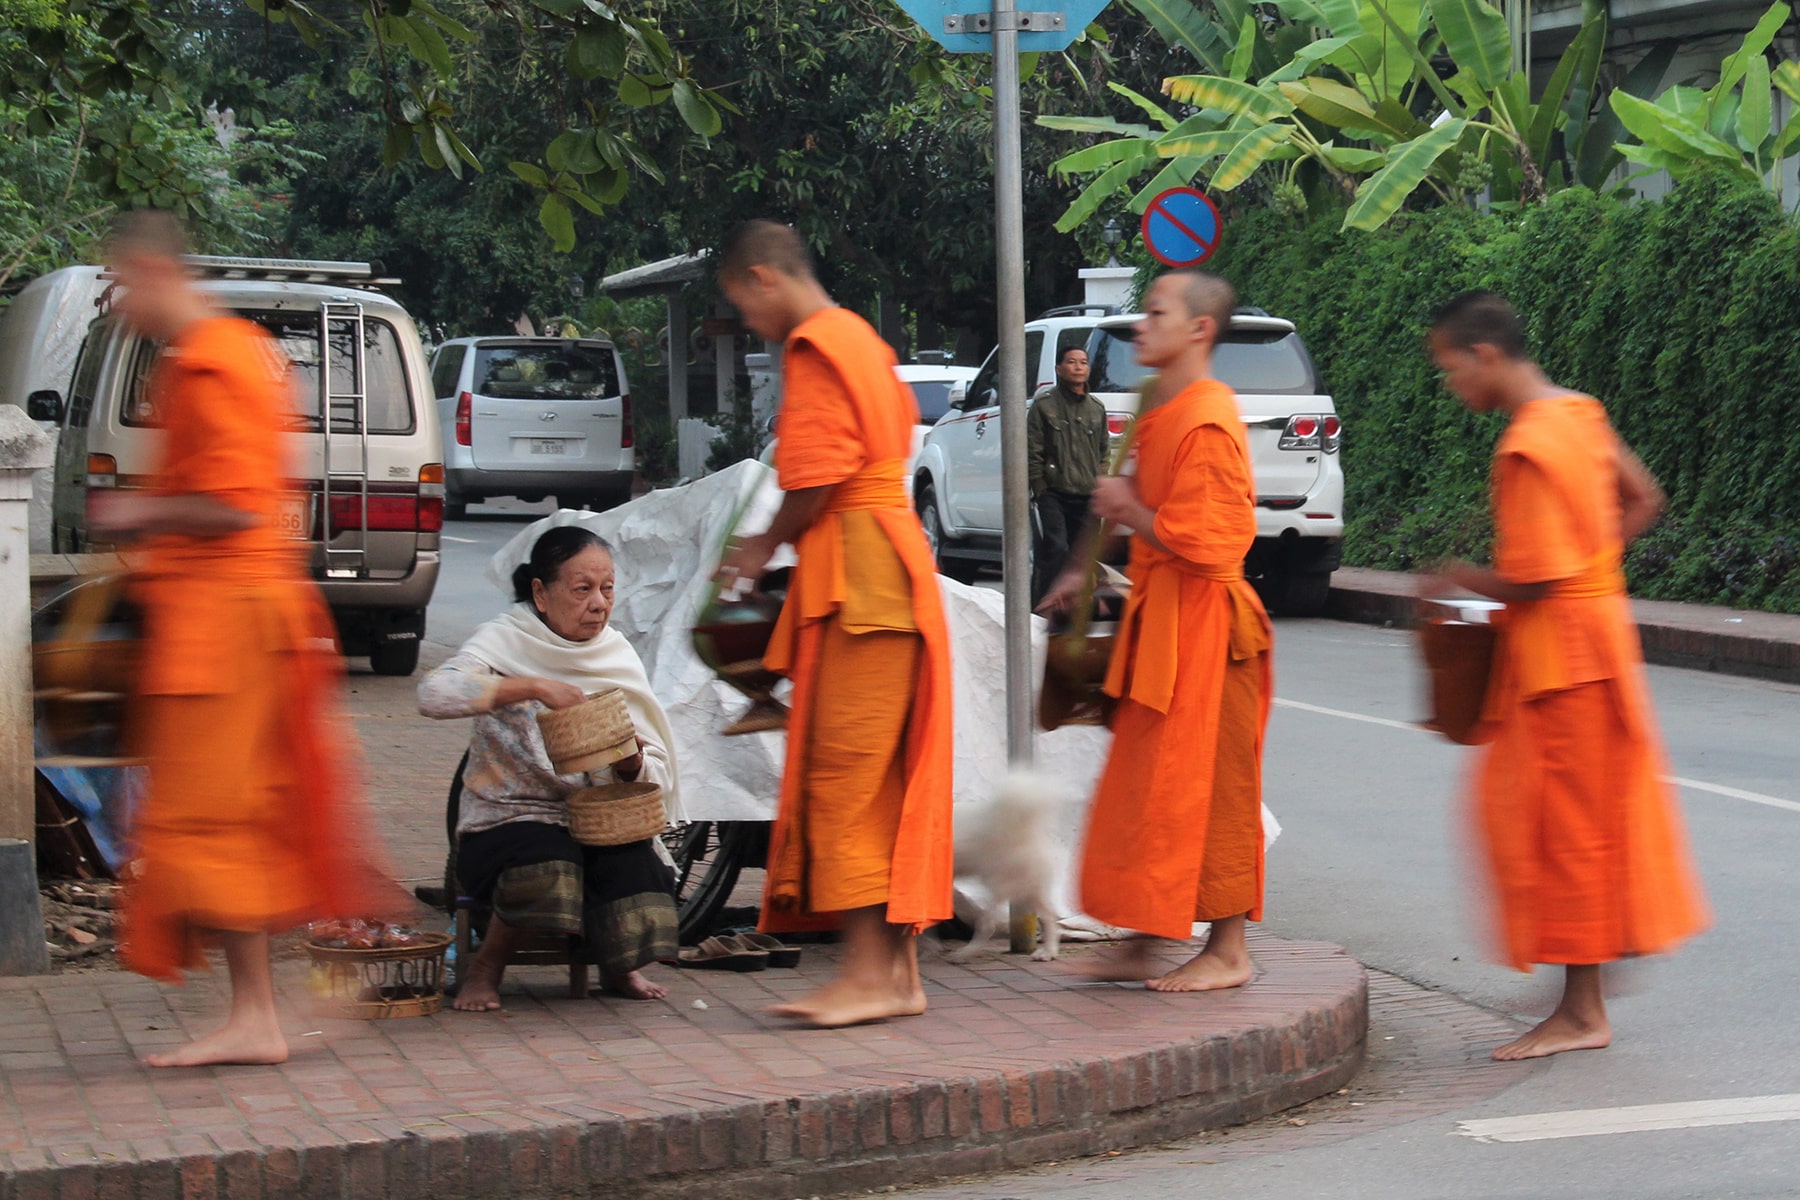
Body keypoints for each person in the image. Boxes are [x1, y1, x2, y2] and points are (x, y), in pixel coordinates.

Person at [91, 211, 402, 1068]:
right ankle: (262, 1009)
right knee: (249, 813)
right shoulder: (217, 357)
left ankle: (262, 1011)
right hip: (230, 618)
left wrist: (134, 509)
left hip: (226, 624)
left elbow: (230, 502)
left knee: (212, 822)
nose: (119, 304)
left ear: (153, 271)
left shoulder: (214, 360)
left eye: (121, 284)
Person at [1424, 290, 1709, 1061]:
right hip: (1598, 640)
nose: (1454, 388)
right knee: (1580, 819)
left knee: (1562, 830)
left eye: (1451, 370)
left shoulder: (1529, 439)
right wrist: (1592, 567)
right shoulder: (1579, 411)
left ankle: (1582, 1010)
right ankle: (1587, 975)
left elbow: (1538, 576)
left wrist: (1457, 579)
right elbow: (1644, 499)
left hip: (1561, 661)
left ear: (1486, 355)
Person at [713, 219, 954, 1028]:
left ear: (761, 278)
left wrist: (759, 548)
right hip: (887, 567)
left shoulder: (816, 345)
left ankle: (863, 973)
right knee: (880, 778)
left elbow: (819, 479)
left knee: (843, 777)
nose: (749, 323)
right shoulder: (862, 339)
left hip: (862, 583)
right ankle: (899, 974)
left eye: (742, 306)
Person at [1039, 270, 1273, 993]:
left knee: (1213, 789)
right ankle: (1145, 938)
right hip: (1164, 621)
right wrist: (1083, 568)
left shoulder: (1210, 414)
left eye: (1156, 313)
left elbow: (1216, 541)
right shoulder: (1160, 405)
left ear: (1199, 329)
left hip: (1210, 625)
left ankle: (1228, 950)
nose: (1140, 325)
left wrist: (1132, 517)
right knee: (1149, 788)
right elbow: (1129, 500)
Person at [418, 522, 681, 1008]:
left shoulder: (615, 654)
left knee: (640, 869)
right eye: (582, 590)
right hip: (506, 816)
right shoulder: (503, 640)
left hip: (591, 818)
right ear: (540, 592)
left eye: (607, 589)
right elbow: (434, 695)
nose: (599, 604)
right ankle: (485, 968)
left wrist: (630, 764)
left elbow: (649, 774)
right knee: (546, 862)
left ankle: (618, 965)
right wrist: (532, 686)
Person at [1027, 345, 1109, 603]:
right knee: (1056, 548)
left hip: (1087, 494)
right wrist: (1039, 486)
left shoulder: (1096, 408)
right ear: (1059, 369)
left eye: (1083, 362)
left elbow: (1104, 451)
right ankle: (1043, 606)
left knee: (1082, 555)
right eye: (1071, 362)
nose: (1078, 367)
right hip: (1053, 493)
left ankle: (1076, 613)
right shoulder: (1045, 405)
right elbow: (1032, 449)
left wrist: (1101, 481)